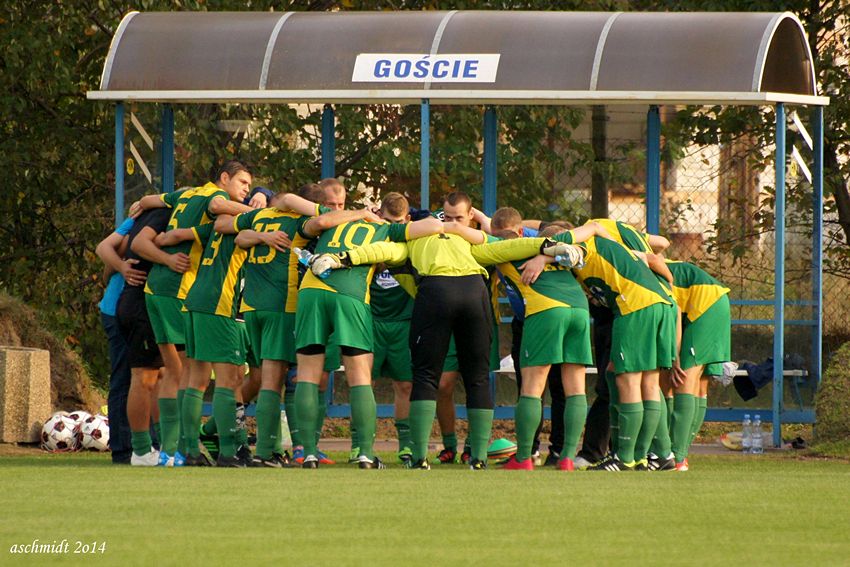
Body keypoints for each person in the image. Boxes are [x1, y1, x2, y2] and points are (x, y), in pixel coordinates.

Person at [312, 197, 559, 470]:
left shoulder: (412, 241)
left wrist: (339, 258)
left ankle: (419, 458)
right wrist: (548, 246)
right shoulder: (468, 240)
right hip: (473, 293)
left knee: (426, 376)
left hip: (435, 292)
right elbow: (508, 246)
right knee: (477, 378)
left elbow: (381, 250)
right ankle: (478, 458)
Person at [295, 194, 443, 469]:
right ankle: (364, 452)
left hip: (311, 289)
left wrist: (360, 213)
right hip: (351, 294)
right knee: (360, 375)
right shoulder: (387, 229)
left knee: (307, 373)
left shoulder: (337, 220)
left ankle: (309, 453)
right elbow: (435, 225)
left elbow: (310, 216)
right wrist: (389, 226)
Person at [131, 159, 259, 465]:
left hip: (157, 288)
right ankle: (189, 449)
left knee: (179, 372)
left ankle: (177, 450)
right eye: (242, 182)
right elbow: (217, 209)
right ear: (224, 178)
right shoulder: (217, 198)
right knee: (192, 373)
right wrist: (261, 215)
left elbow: (149, 200)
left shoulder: (186, 193)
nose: (246, 190)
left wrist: (141, 206)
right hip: (181, 288)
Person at [541, 235, 678, 471]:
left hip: (634, 306)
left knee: (628, 379)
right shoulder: (614, 247)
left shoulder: (583, 245)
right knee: (638, 379)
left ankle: (625, 457)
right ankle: (648, 456)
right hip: (661, 305)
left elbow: (577, 245)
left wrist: (542, 257)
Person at [115, 208, 175, 466]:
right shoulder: (164, 213)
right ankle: (140, 451)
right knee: (144, 377)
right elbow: (137, 244)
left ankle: (164, 448)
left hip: (150, 306)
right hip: (139, 305)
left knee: (162, 376)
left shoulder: (162, 213)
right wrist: (168, 259)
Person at [662, 260, 731, 471]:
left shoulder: (648, 273)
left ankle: (676, 457)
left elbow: (675, 315)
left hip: (705, 307)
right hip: (717, 301)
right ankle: (680, 454)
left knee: (684, 379)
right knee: (700, 385)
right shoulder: (660, 263)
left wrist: (675, 358)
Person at [366, 193, 418, 463]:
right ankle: (362, 445)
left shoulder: (414, 240)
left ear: (407, 219)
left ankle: (406, 445)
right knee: (364, 383)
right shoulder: (366, 238)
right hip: (371, 321)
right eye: (387, 221)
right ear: (378, 216)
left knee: (405, 385)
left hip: (404, 322)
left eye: (398, 222)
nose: (393, 227)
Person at [95, 216, 145, 464]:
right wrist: (122, 267)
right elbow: (104, 248)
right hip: (117, 311)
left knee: (148, 379)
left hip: (137, 313)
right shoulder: (145, 216)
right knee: (125, 379)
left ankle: (145, 446)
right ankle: (123, 449)